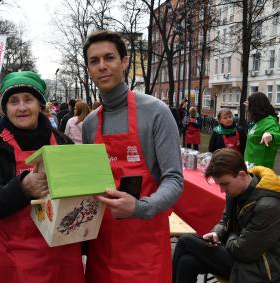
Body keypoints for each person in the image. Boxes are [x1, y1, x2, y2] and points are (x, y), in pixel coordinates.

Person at [81, 30, 183, 283]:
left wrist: (140, 207)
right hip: (101, 249)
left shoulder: (156, 112)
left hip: (144, 250)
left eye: (109, 58)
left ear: (124, 62)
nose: (102, 66)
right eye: (94, 61)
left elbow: (174, 180)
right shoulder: (90, 123)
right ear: (88, 68)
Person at [0, 71, 85, 283]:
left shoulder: (63, 143)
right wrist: (22, 188)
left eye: (28, 100)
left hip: (59, 255)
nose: (21, 107)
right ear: (5, 109)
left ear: (40, 106)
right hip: (10, 256)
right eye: (13, 101)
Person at [172, 148, 280, 283]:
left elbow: (244, 252)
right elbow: (225, 221)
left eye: (224, 184)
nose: (222, 190)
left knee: (186, 241)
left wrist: (229, 235)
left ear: (241, 174)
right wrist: (217, 233)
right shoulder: (235, 191)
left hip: (261, 269)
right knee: (186, 262)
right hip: (240, 254)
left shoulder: (269, 206)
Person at [244, 92, 280, 169]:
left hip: (261, 169)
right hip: (250, 165)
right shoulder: (259, 120)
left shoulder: (270, 121)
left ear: (255, 106)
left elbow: (276, 134)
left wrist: (271, 135)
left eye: (249, 104)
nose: (247, 108)